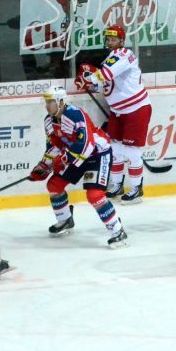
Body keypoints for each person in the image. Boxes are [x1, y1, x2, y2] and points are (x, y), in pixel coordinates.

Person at [29, 86, 128, 248]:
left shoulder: (75, 115)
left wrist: (63, 159)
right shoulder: (49, 121)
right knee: (54, 185)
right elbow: (54, 146)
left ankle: (117, 230)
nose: (47, 105)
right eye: (46, 102)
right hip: (75, 156)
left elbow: (86, 145)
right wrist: (43, 166)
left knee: (94, 195)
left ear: (61, 102)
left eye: (50, 102)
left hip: (97, 154)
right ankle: (65, 219)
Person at [74, 25, 151, 204]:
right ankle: (117, 184)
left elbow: (105, 75)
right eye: (108, 39)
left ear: (122, 41)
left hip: (136, 109)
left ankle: (136, 189)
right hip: (118, 111)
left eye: (114, 39)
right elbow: (105, 84)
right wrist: (89, 85)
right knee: (114, 149)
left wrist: (88, 77)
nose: (110, 42)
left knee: (132, 152)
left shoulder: (124, 55)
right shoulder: (111, 58)